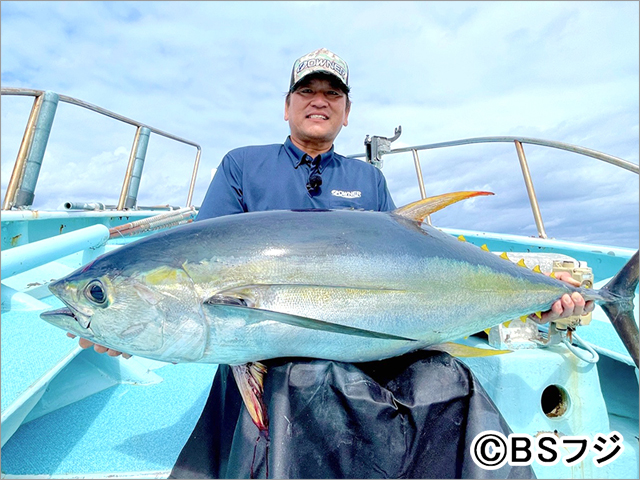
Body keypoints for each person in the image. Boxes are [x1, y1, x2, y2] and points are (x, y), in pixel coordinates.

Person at [73, 48, 593, 478]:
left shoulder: (369, 180)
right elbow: (199, 260)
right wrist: (121, 321)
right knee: (298, 380)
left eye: (332, 95)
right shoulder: (243, 164)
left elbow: (409, 269)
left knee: (444, 380)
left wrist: (538, 302)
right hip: (269, 346)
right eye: (307, 92)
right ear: (287, 106)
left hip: (367, 336)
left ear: (346, 112)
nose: (319, 102)